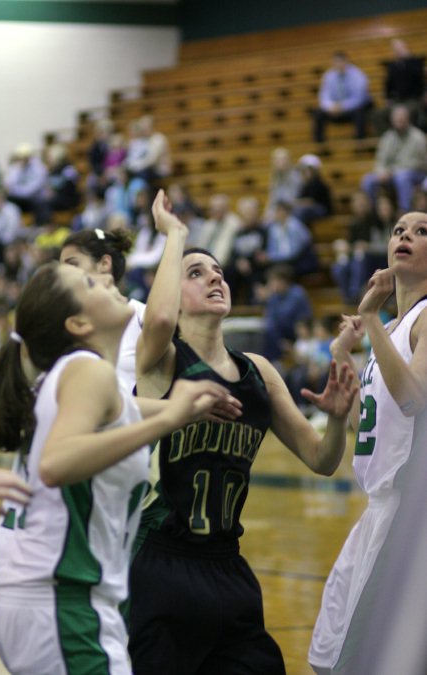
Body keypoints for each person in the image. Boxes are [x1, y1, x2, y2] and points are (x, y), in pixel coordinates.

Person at [126, 189, 358, 675]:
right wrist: (177, 235)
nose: (214, 276)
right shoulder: (163, 359)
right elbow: (162, 316)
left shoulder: (258, 371)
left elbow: (322, 460)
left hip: (228, 565)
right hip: (161, 564)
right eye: (196, 273)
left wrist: (336, 420)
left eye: (219, 271)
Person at [0, 260, 233, 675]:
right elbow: (55, 464)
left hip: (36, 598)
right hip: (62, 602)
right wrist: (170, 419)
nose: (104, 280)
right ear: (78, 322)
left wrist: (184, 409)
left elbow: (130, 410)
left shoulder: (70, 378)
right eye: (87, 283)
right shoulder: (89, 371)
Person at [309, 211, 427, 674]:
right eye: (399, 230)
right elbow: (375, 431)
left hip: (408, 514)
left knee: (356, 660)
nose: (406, 236)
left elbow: (413, 399)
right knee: (326, 653)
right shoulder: (394, 328)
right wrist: (342, 356)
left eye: (421, 232)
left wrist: (371, 319)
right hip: (377, 509)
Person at [59, 227, 144, 394]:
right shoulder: (65, 325)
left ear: (104, 264)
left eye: (72, 264)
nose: (63, 275)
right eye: (61, 269)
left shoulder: (143, 315)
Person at [361, 104, 427, 212]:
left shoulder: (418, 137)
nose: (400, 122)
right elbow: (380, 161)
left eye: (402, 119)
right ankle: (373, 213)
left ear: (408, 119)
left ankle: (405, 210)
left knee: (402, 177)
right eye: (397, 119)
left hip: (416, 174)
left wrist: (392, 171)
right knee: (368, 180)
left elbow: (420, 163)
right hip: (391, 175)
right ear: (392, 121)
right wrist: (381, 172)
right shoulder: (387, 137)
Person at [312, 51, 373, 143]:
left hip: (354, 108)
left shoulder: (357, 74)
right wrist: (331, 106)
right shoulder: (328, 76)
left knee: (359, 113)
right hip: (335, 109)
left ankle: (360, 144)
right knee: (318, 113)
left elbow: (359, 98)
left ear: (346, 61)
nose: (339, 64)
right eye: (336, 62)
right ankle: (320, 146)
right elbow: (324, 96)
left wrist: (342, 106)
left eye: (341, 61)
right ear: (332, 63)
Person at [373, 38, 426, 136]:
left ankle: (405, 139)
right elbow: (388, 84)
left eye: (400, 47)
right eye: (395, 49)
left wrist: (407, 59)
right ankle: (389, 139)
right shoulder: (392, 66)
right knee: (378, 115)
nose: (398, 50)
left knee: (402, 113)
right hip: (397, 100)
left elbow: (419, 76)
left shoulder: (415, 62)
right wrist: (388, 98)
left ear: (405, 47)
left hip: (413, 100)